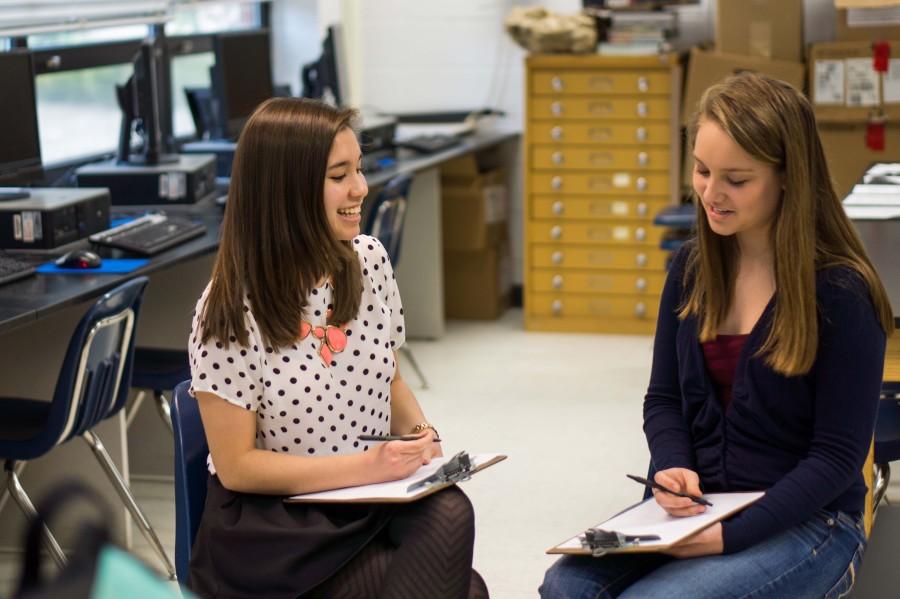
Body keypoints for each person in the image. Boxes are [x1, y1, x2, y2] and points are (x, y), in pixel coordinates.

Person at [540, 73, 894, 598]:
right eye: (703, 171)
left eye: (736, 179)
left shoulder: (841, 291)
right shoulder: (690, 269)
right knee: (567, 587)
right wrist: (674, 465)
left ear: (787, 178)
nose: (711, 192)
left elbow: (836, 458)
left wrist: (728, 536)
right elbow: (663, 399)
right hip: (702, 509)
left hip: (812, 523)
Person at [187, 97, 488, 599]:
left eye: (360, 170)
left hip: (364, 499)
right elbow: (238, 467)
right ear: (288, 192)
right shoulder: (227, 310)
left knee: (451, 507)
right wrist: (369, 467)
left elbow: (388, 377)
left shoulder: (368, 261)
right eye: (338, 175)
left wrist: (421, 434)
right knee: (468, 592)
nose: (361, 189)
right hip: (279, 525)